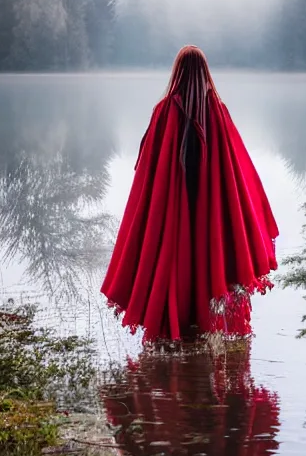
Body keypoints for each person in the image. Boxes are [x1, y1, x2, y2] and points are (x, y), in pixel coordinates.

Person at [101, 45, 278, 343]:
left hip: (171, 210)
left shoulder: (165, 110)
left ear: (178, 73)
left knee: (175, 261)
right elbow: (239, 170)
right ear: (206, 73)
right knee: (211, 258)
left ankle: (175, 332)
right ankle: (208, 335)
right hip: (211, 211)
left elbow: (147, 173)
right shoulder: (217, 112)